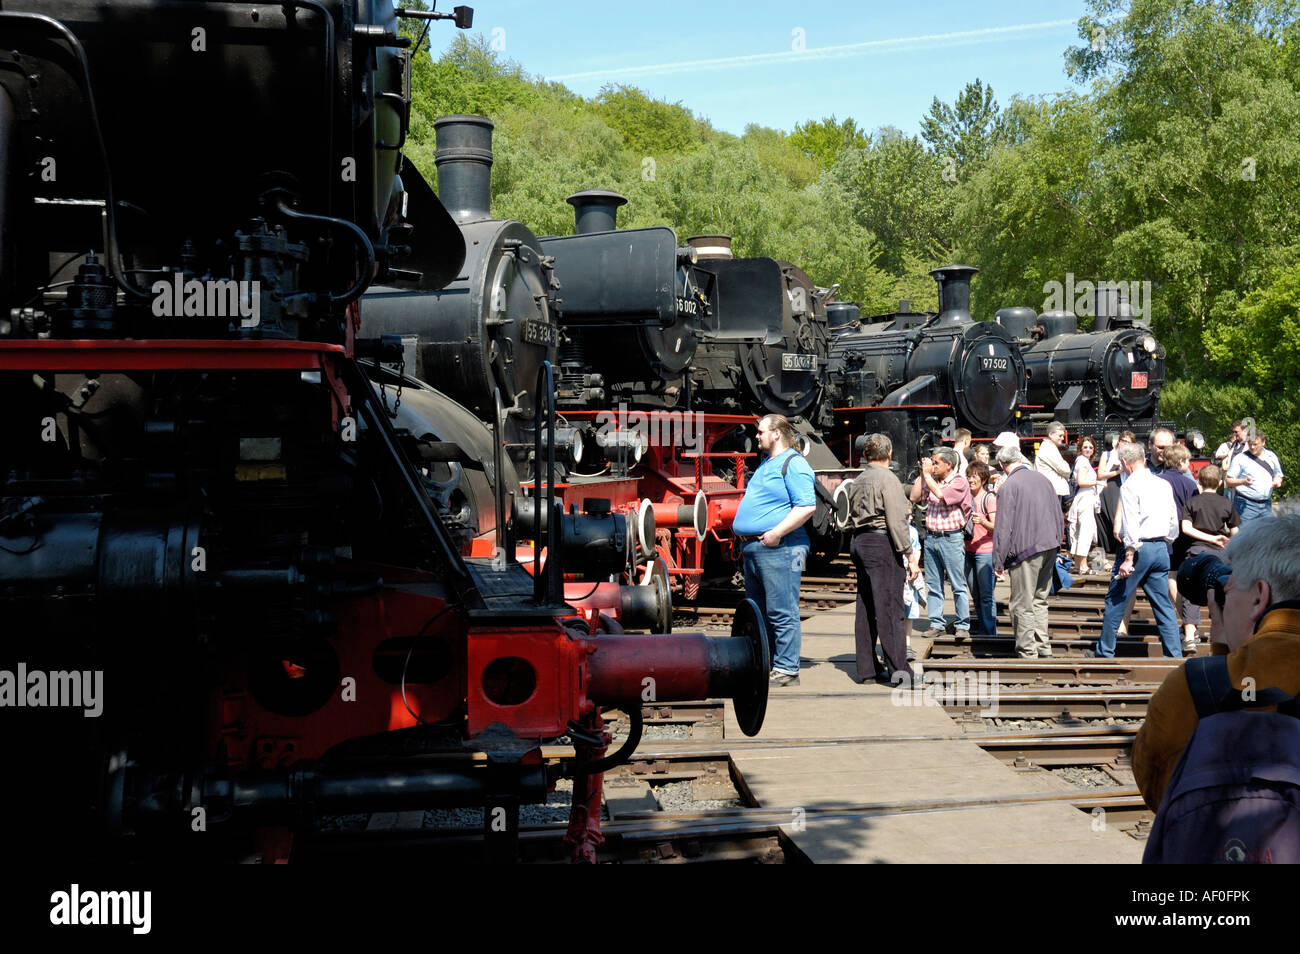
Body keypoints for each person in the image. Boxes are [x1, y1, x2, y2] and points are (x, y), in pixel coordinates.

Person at [1133, 511, 1300, 811]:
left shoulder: (1194, 688)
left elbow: (1162, 792)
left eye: (1230, 583)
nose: (1225, 595)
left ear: (1260, 597)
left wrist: (1222, 662)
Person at [733, 414, 816, 687]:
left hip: (781, 547)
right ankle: (769, 663)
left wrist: (776, 533)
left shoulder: (794, 464)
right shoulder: (767, 463)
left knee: (782, 610)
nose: (757, 436)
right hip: (756, 547)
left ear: (777, 433)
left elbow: (806, 506)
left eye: (760, 432)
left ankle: (787, 668)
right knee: (760, 611)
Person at [1091, 441, 1181, 658]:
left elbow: (1131, 524)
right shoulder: (1163, 484)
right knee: (1163, 605)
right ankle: (1174, 655)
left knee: (1116, 599)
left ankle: (1105, 651)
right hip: (1160, 547)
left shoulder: (1130, 486)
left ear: (1124, 462)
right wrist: (1164, 542)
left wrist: (1129, 556)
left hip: (1138, 548)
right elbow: (1173, 523)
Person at [844, 433, 915, 684]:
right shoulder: (889, 479)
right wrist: (908, 552)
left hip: (859, 541)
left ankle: (867, 670)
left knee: (865, 607)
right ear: (890, 453)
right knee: (889, 608)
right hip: (881, 542)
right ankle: (900, 671)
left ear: (866, 455)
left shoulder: (858, 479)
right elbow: (896, 520)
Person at [991, 446, 1063, 659]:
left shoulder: (1009, 486)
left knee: (1022, 603)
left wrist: (998, 561)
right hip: (1049, 545)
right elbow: (1058, 514)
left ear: (1003, 465)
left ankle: (1028, 652)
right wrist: (1057, 542)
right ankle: (1043, 648)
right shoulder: (1043, 480)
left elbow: (1003, 528)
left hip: (1025, 551)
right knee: (1040, 599)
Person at [909, 447, 973, 640]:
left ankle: (962, 624)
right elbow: (913, 496)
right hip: (931, 537)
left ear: (949, 464)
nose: (933, 466)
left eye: (936, 462)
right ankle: (936, 623)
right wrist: (923, 474)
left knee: (957, 584)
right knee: (934, 584)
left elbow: (942, 496)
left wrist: (927, 476)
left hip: (951, 538)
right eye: (932, 462)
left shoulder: (959, 481)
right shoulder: (931, 479)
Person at [1175, 463, 1239, 653]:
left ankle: (1189, 636)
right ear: (1220, 483)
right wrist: (1222, 541)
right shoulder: (1227, 504)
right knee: (1220, 593)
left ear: (1200, 482)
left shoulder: (1192, 502)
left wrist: (1208, 538)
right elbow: (1236, 531)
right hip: (1220, 555)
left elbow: (1186, 529)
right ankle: (1220, 637)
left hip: (1197, 552)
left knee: (1190, 595)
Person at [964, 460, 998, 637]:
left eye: (974, 476)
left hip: (985, 551)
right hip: (968, 550)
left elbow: (997, 525)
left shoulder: (989, 498)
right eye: (969, 476)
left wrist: (983, 522)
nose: (970, 480)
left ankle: (989, 633)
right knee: (975, 595)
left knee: (986, 596)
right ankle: (984, 629)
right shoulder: (966, 497)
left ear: (983, 479)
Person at [1225, 430, 1284, 523]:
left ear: (1263, 443)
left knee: (1266, 534)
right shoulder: (1240, 458)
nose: (1252, 447)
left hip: (1266, 505)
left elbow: (1278, 474)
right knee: (1245, 535)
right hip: (1245, 505)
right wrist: (1242, 481)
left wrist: (1277, 481)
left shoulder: (1272, 457)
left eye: (1255, 444)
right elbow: (1228, 480)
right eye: (1250, 444)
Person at [1067, 436, 1101, 574]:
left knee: (1079, 531)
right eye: (1085, 447)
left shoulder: (1081, 461)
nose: (1088, 450)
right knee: (1085, 532)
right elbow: (1081, 481)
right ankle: (1083, 567)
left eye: (1091, 447)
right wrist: (1098, 482)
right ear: (1080, 449)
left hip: (1083, 498)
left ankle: (1077, 565)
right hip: (1085, 499)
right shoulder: (1083, 462)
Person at [1034, 421, 1071, 508]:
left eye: (1063, 436)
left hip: (1050, 490)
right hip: (1052, 490)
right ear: (1050, 434)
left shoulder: (1049, 447)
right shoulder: (1049, 448)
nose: (1062, 438)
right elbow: (1065, 469)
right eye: (1060, 435)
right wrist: (1066, 464)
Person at [1213, 420, 1249, 501]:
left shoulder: (1250, 446)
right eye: (1233, 432)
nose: (1234, 434)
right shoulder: (1235, 444)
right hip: (1229, 482)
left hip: (1241, 484)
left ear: (1244, 431)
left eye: (1236, 432)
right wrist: (1225, 465)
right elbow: (1228, 456)